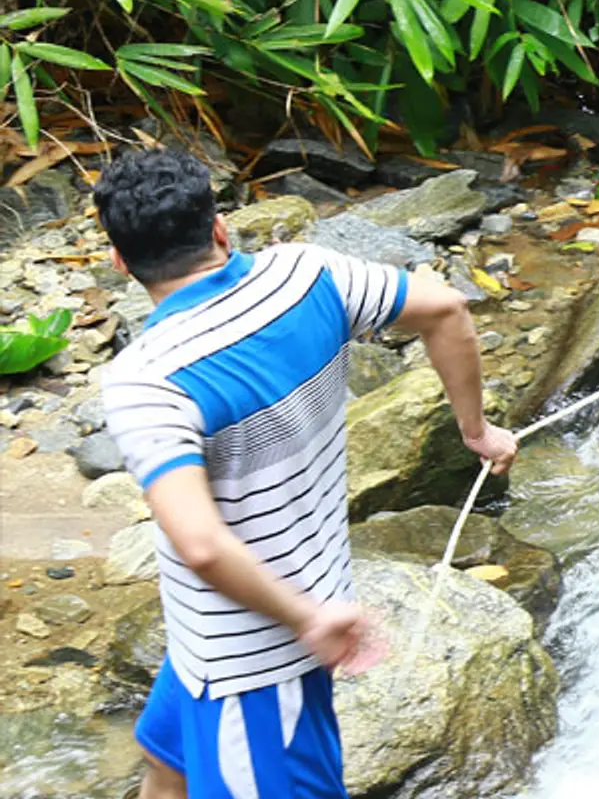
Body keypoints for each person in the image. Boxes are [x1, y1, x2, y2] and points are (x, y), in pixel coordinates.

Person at [96, 147, 518, 799]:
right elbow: (446, 309)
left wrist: (304, 620)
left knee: (174, 771)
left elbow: (201, 544)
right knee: (168, 768)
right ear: (219, 228)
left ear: (120, 261)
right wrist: (476, 431)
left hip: (247, 654)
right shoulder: (308, 273)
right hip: (227, 646)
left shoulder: (145, 379)